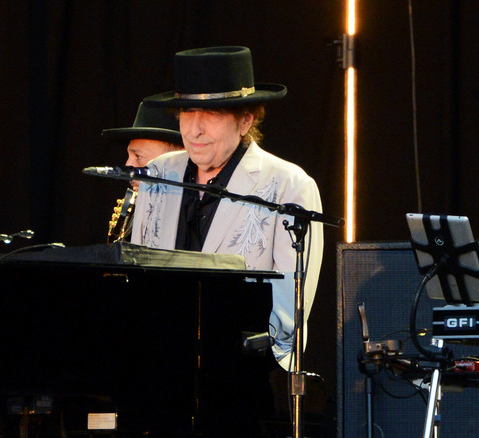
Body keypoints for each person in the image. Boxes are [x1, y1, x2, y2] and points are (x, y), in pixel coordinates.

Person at [131, 46, 324, 371]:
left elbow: (290, 310)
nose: (194, 130)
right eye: (187, 113)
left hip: (244, 375)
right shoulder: (158, 174)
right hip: (159, 367)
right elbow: (138, 274)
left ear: (246, 119)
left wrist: (228, 354)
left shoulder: (290, 184)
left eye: (211, 114)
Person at [101, 100, 183, 241]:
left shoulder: (195, 214)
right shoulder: (134, 205)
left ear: (179, 158)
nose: (128, 164)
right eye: (129, 155)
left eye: (138, 156)